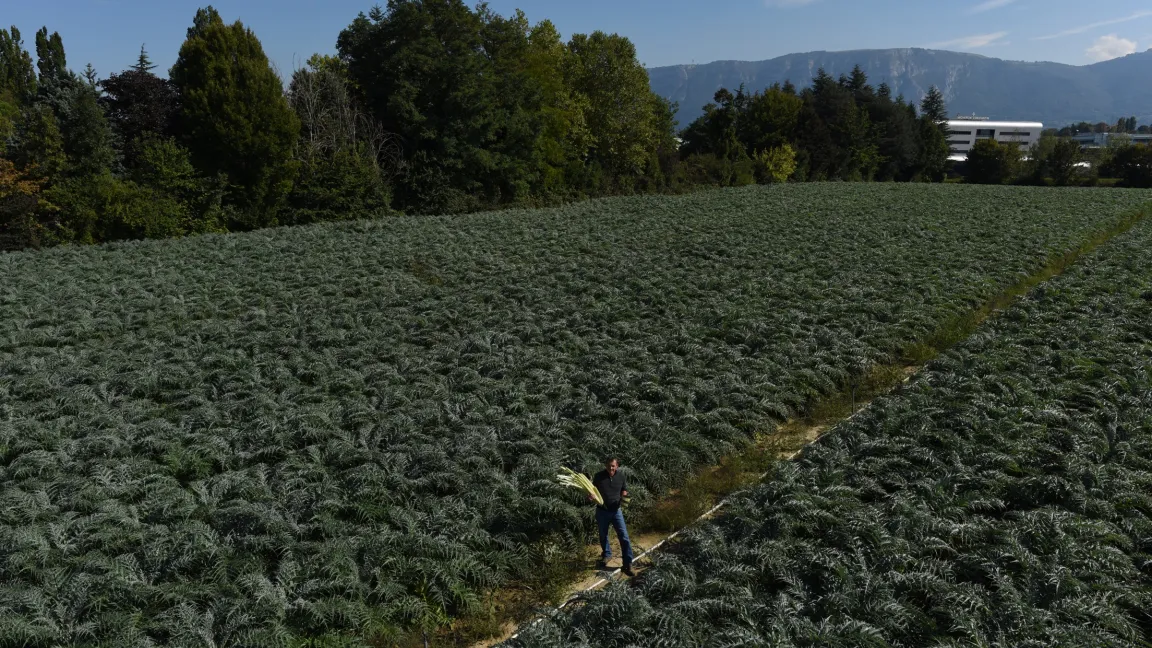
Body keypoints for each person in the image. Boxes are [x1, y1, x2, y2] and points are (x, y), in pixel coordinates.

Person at [590, 457, 634, 576]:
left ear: (617, 466)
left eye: (613, 466)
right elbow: (592, 490)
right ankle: (607, 555)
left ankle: (628, 563)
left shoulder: (621, 476)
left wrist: (624, 497)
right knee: (603, 535)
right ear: (606, 465)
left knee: (624, 536)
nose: (611, 468)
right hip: (602, 511)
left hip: (616, 511)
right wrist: (591, 496)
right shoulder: (598, 476)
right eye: (609, 465)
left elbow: (624, 489)